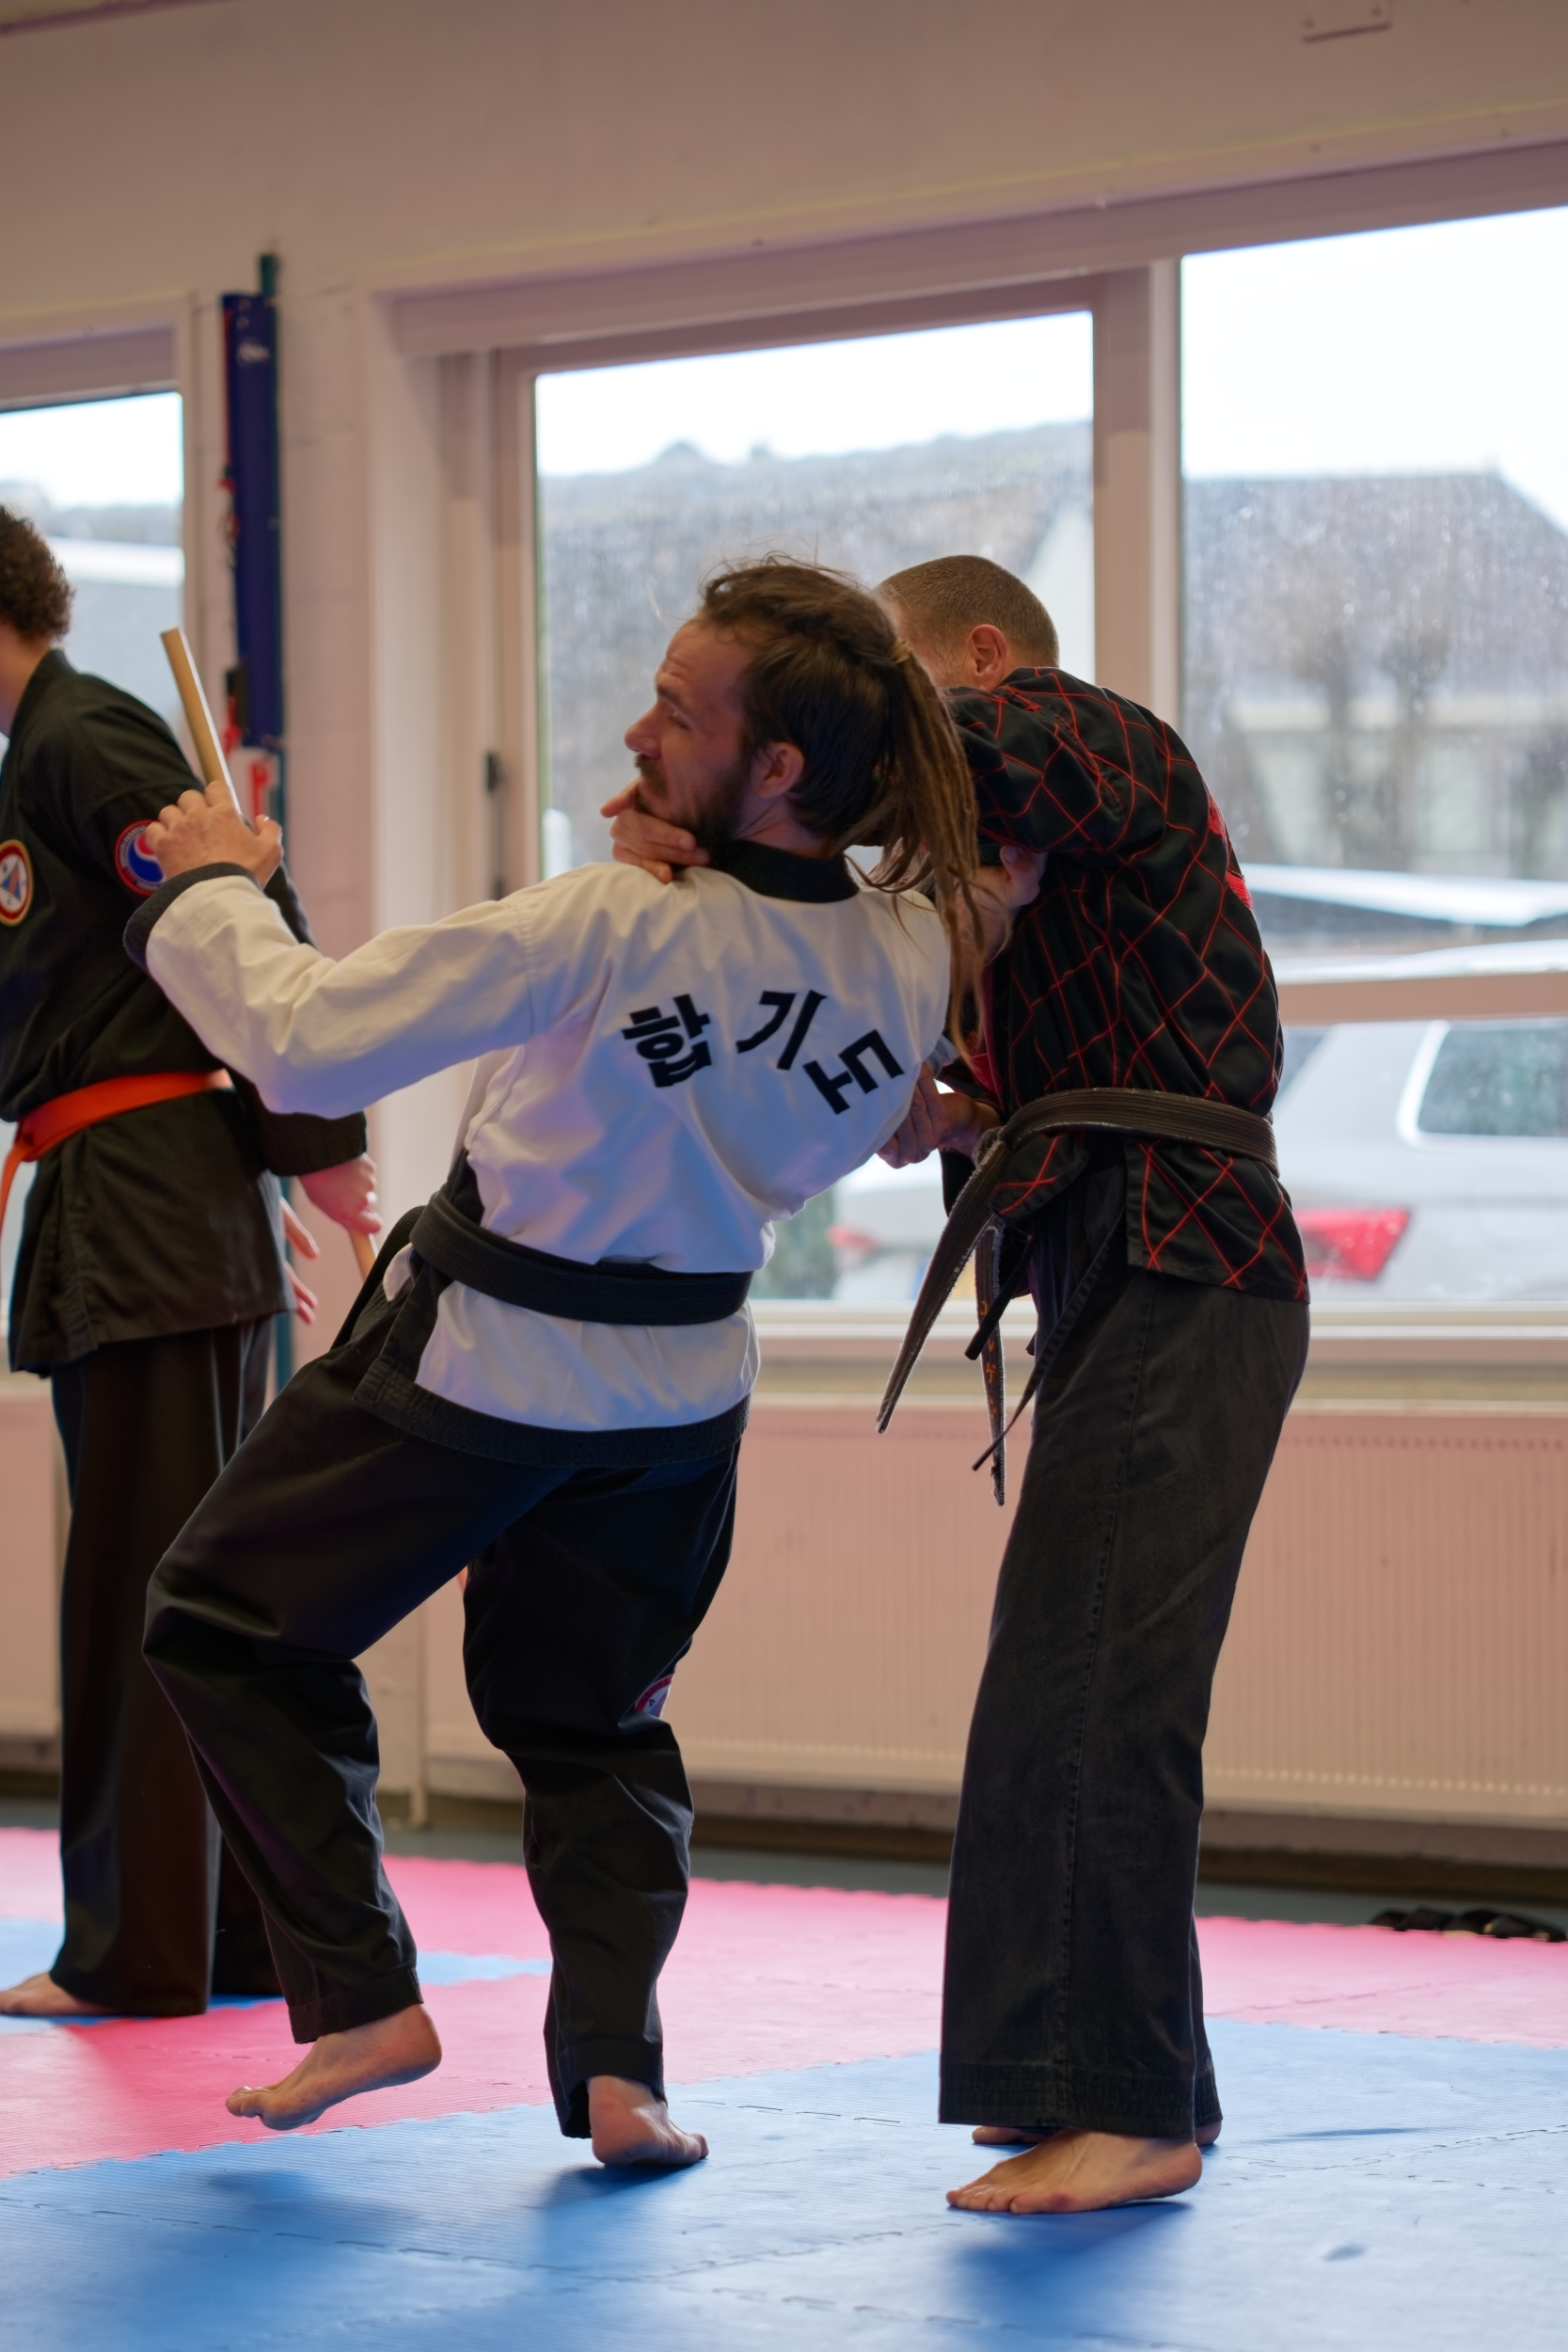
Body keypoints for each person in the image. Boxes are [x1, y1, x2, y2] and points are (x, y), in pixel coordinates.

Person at [130, 559, 1008, 2169]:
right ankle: (619, 2073)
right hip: (681, 1403)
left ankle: (360, 1994)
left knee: (220, 1622)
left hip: (485, 1367)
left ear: (780, 765)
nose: (635, 734)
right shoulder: (911, 946)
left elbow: (303, 1042)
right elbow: (883, 1109)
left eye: (676, 714)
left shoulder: (606, 920)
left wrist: (211, 885)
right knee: (597, 1727)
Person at [610, 551, 1310, 2216]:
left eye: (894, 693)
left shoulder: (1085, 730)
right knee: (1081, 1665)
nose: (889, 746)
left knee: (1091, 1679)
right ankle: (1119, 2077)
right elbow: (947, 1052)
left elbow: (907, 767)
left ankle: (1125, 2107)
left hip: (1184, 1250)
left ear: (985, 658)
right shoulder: (1035, 888)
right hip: (1136, 1261)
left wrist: (733, 787)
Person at [0, 509, 379, 2022]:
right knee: (189, 1591)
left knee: (143, 1591)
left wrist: (309, 1137)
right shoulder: (43, 750)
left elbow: (236, 900)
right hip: (149, 1191)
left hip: (149, 1203)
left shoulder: (79, 735)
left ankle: (140, 1948)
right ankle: (222, 1937)